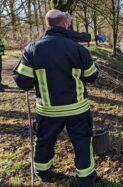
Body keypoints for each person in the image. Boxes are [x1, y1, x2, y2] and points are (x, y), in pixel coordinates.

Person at [13, 9, 98, 187]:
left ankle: (43, 173)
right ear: (65, 24)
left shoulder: (32, 49)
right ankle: (86, 179)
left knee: (44, 142)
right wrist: (93, 67)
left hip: (48, 111)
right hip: (77, 110)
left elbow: (23, 83)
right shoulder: (78, 49)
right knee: (82, 143)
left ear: (47, 24)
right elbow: (92, 76)